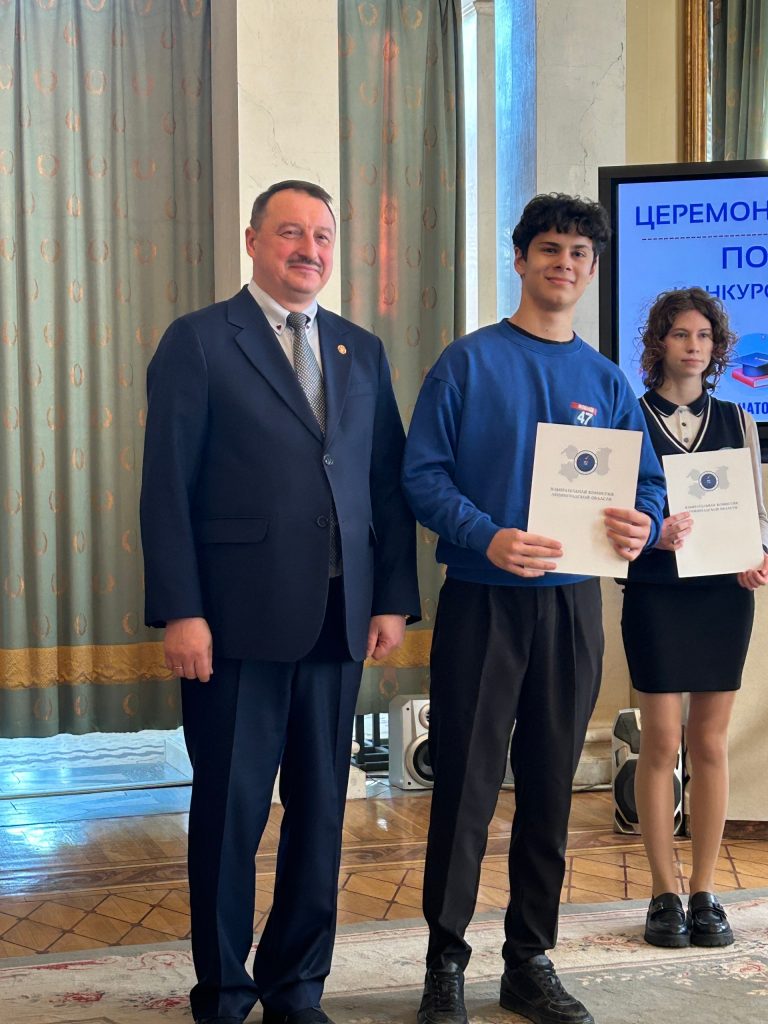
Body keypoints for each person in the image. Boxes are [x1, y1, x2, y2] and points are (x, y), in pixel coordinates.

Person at [140, 180, 420, 1024]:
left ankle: (297, 987)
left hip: (339, 619)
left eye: (323, 235)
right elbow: (166, 486)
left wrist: (392, 598)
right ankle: (225, 993)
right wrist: (181, 609)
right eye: (291, 232)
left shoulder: (360, 349)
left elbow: (384, 482)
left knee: (322, 812)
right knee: (229, 816)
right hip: (234, 624)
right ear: (254, 241)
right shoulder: (198, 341)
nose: (310, 249)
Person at [402, 193, 666, 1024]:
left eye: (579, 254)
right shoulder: (468, 363)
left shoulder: (607, 380)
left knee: (552, 788)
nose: (564, 264)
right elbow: (421, 476)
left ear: (593, 270)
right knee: (467, 789)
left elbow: (647, 484)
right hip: (483, 602)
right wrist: (486, 537)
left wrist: (642, 521)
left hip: (572, 608)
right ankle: (445, 962)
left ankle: (529, 960)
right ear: (520, 260)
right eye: (550, 248)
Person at [620, 287, 768, 950]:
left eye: (704, 336)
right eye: (680, 334)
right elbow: (614, 515)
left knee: (709, 743)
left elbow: (755, 515)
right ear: (659, 343)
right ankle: (663, 891)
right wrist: (652, 534)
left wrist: (759, 554)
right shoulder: (628, 417)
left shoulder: (738, 419)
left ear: (717, 348)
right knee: (660, 742)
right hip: (656, 592)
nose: (693, 345)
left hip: (722, 596)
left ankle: (705, 891)